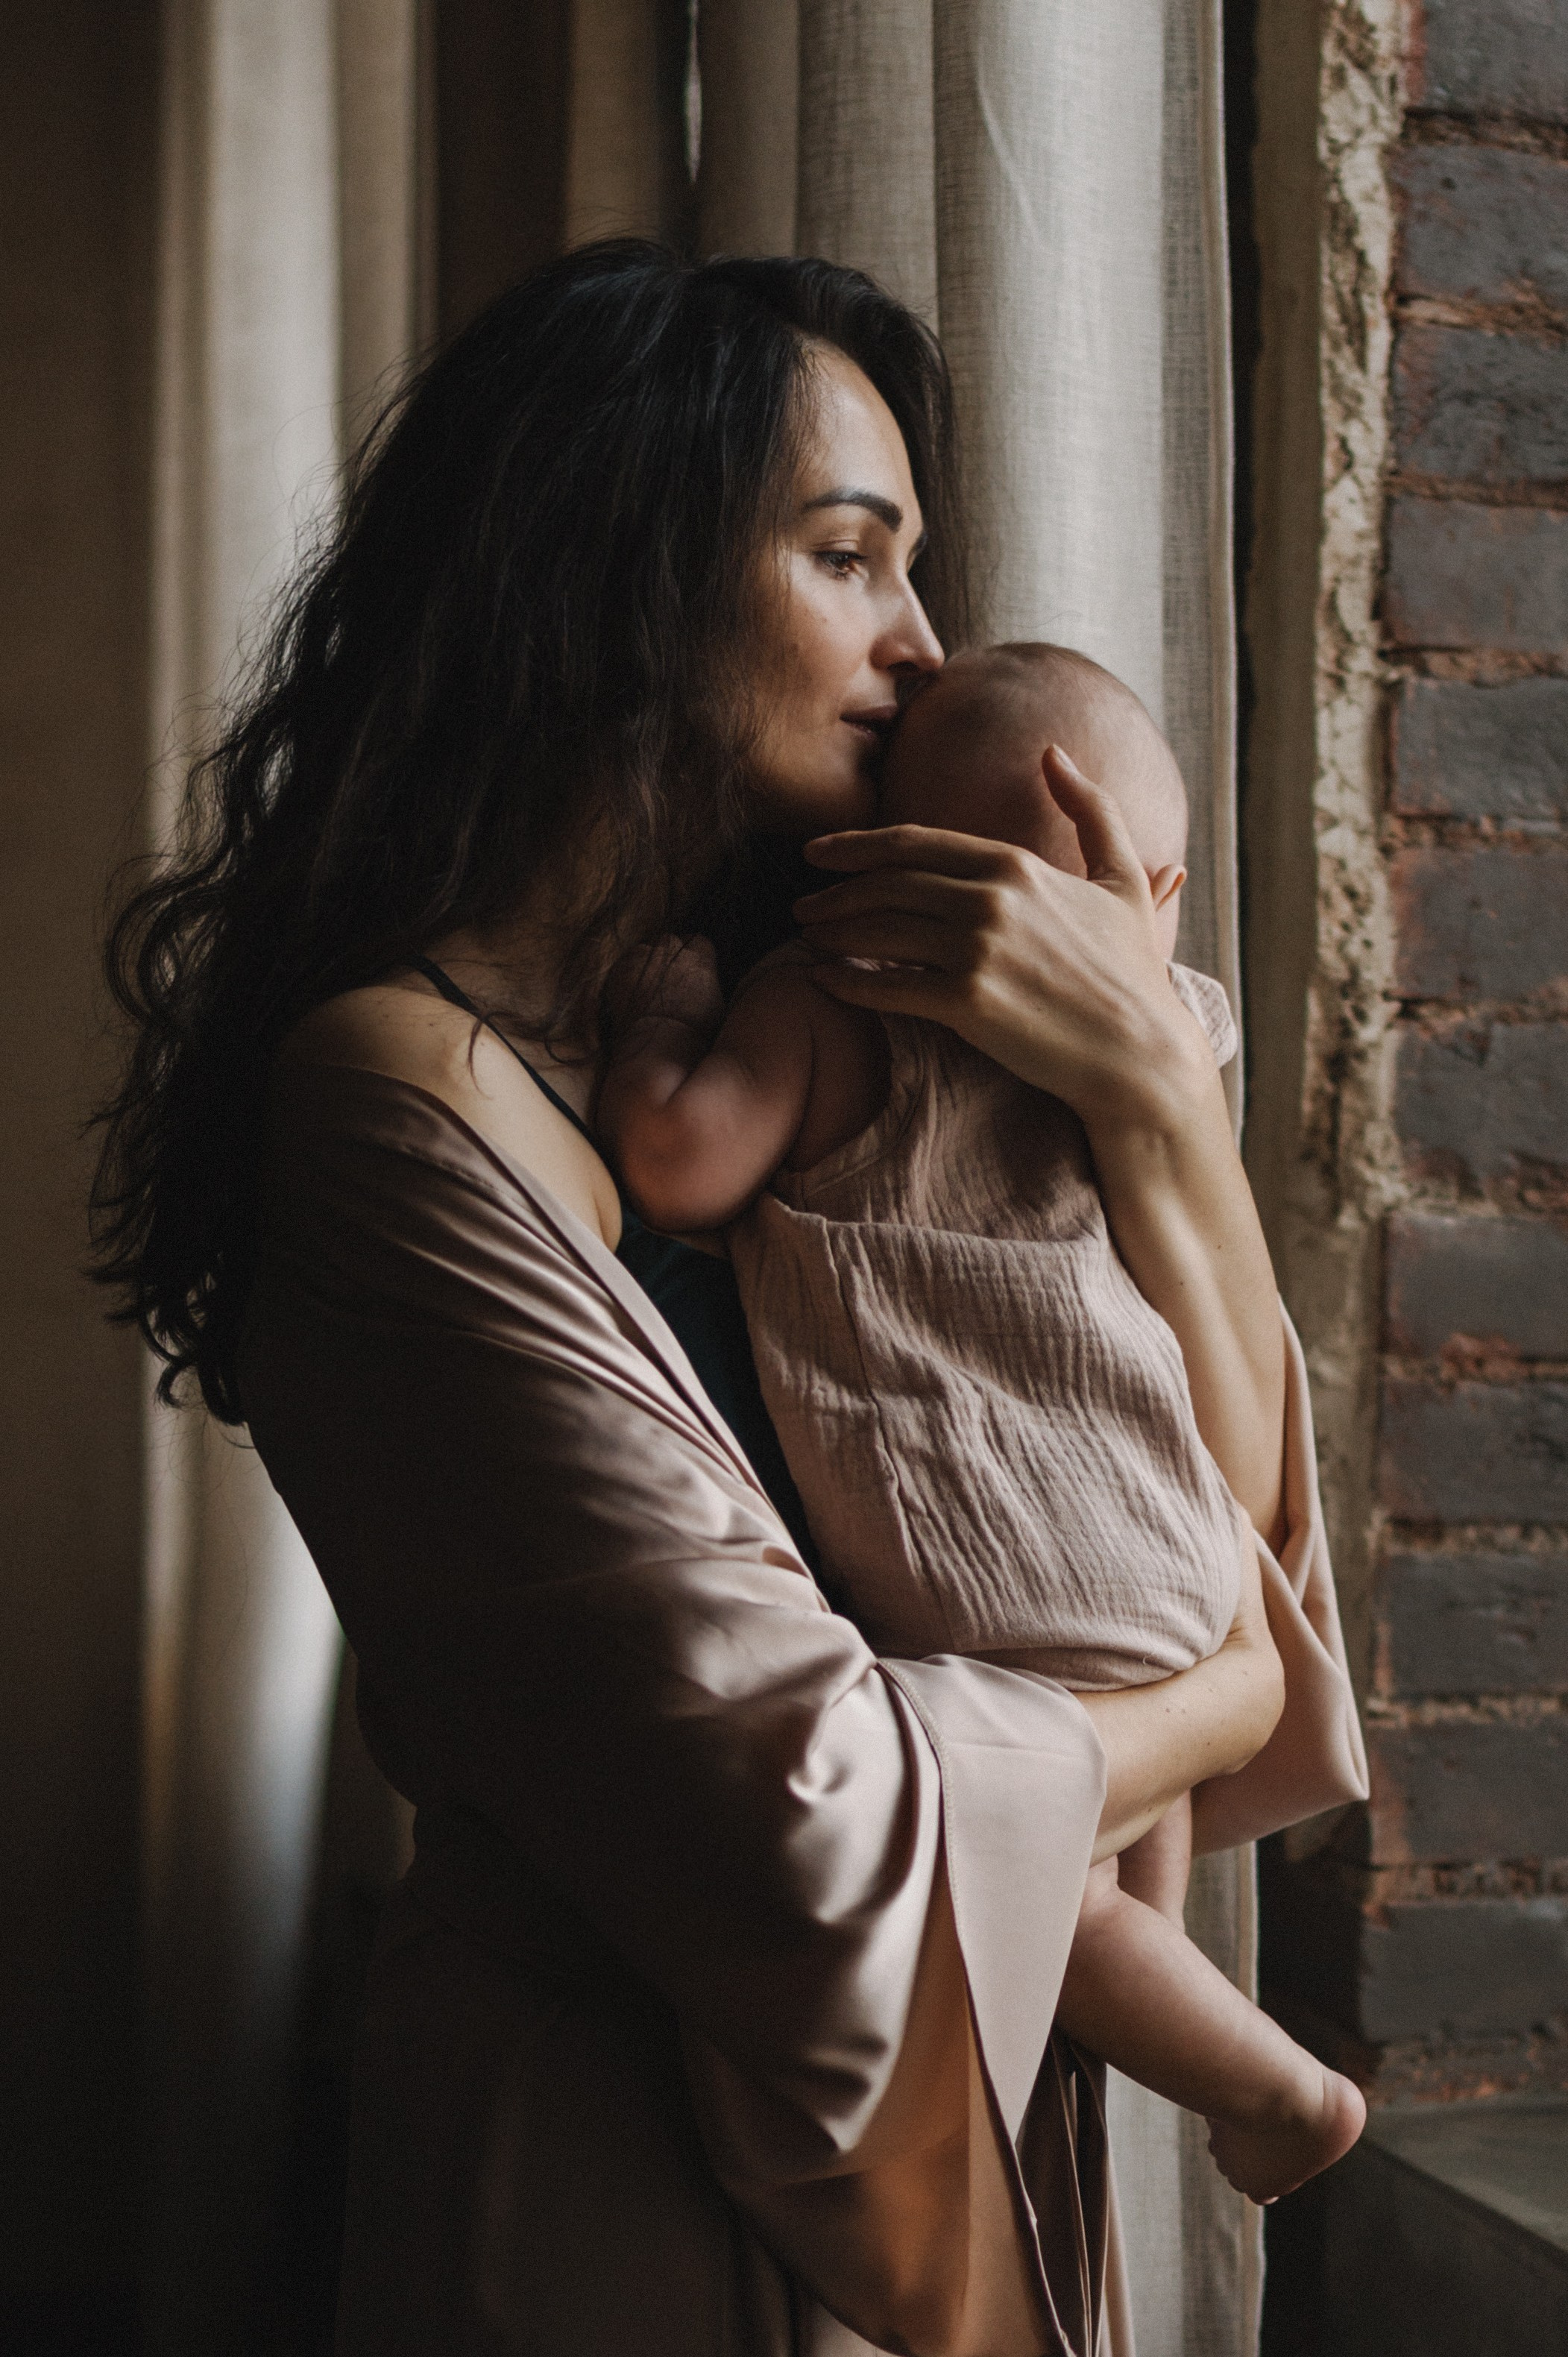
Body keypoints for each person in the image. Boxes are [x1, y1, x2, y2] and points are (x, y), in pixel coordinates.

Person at [92, 242, 1361, 2356]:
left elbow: (1179, 1498)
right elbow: (813, 1812)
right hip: (622, 2202)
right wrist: (1218, 1702)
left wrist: (1147, 1092)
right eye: (850, 558)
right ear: (617, 575)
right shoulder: (397, 1111)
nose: (927, 645)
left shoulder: (799, 1061)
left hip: (947, 2085)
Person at [597, 641, 1367, 2206]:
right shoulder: (1180, 1029)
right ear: (1150, 886)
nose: (909, 638)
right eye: (844, 562)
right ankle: (1161, 2077)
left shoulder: (824, 1003)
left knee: (1065, 1916)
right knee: (1122, 1907)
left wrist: (664, 1007)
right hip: (1183, 1544)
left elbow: (674, 1166)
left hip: (1002, 1566)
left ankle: (1278, 2090)